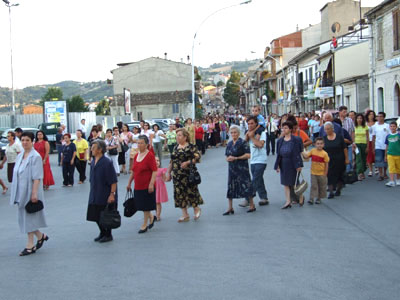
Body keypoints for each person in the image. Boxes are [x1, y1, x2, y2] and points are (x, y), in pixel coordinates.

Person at [9, 132, 49, 256]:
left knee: (28, 217)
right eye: (23, 140)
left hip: (30, 190)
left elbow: (37, 177)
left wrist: (34, 193)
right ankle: (40, 236)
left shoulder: (35, 156)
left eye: (27, 140)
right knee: (25, 217)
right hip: (20, 191)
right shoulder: (20, 155)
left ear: (32, 141)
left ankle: (30, 244)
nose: (25, 142)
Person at [166, 128, 203, 222]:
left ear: (185, 137)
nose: (177, 137)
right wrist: (168, 173)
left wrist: (187, 162)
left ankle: (196, 209)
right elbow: (172, 161)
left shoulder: (191, 147)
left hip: (188, 174)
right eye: (177, 135)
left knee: (191, 191)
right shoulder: (175, 147)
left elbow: (197, 158)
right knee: (179, 193)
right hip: (177, 175)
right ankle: (185, 214)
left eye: (179, 135)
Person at [87, 140, 118, 243]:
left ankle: (108, 234)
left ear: (100, 150)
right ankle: (102, 232)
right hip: (95, 191)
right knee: (95, 214)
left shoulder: (107, 162)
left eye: (94, 148)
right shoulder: (93, 160)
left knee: (106, 214)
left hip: (105, 192)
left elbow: (113, 180)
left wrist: (112, 194)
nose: (91, 149)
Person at [127, 135, 157, 234]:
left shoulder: (150, 156)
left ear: (146, 144)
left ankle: (144, 224)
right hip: (138, 185)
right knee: (140, 204)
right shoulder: (136, 156)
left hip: (147, 184)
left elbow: (154, 170)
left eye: (141, 143)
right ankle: (151, 217)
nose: (139, 145)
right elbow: (133, 171)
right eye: (138, 143)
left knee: (146, 206)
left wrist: (151, 184)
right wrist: (129, 183)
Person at [224, 125, 255, 215]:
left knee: (246, 184)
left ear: (239, 133)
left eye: (235, 132)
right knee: (231, 186)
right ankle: (230, 207)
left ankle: (252, 205)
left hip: (242, 167)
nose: (233, 134)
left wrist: (236, 158)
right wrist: (228, 158)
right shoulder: (229, 144)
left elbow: (248, 155)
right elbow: (226, 155)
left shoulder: (243, 142)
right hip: (232, 168)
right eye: (232, 132)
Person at [274, 121, 304, 209]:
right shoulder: (280, 141)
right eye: (283, 128)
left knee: (295, 182)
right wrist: (277, 165)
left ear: (290, 129)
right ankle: (288, 201)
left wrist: (299, 164)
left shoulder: (297, 139)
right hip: (284, 162)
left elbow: (299, 152)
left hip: (294, 162)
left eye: (286, 128)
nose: (284, 129)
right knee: (285, 183)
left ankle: (300, 196)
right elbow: (278, 154)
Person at [245, 116, 269, 207]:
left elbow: (260, 145)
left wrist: (252, 137)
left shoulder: (262, 133)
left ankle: (248, 198)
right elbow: (244, 144)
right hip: (253, 160)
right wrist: (248, 136)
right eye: (248, 124)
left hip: (261, 160)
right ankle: (264, 197)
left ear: (256, 124)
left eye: (252, 123)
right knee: (259, 179)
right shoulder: (249, 133)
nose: (250, 125)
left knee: (255, 180)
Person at [323, 122, 349, 199]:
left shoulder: (339, 137)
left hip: (339, 159)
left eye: (328, 129)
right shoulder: (324, 138)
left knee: (340, 176)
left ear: (332, 129)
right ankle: (331, 192)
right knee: (329, 176)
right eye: (325, 129)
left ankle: (338, 189)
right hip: (329, 161)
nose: (327, 130)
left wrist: (347, 158)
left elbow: (344, 148)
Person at [303, 137, 329, 205]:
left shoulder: (324, 154)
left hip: (321, 173)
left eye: (321, 144)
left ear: (323, 145)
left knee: (321, 186)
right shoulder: (313, 151)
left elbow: (326, 164)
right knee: (314, 185)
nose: (319, 145)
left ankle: (319, 198)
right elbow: (306, 156)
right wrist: (302, 151)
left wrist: (325, 173)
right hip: (313, 172)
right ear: (315, 144)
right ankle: (311, 198)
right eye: (317, 144)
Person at [372, 112, 390, 181]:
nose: (379, 118)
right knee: (379, 160)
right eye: (378, 116)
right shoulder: (375, 126)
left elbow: (389, 136)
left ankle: (385, 173)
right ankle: (381, 174)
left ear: (383, 117)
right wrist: (373, 147)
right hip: (378, 145)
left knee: (385, 160)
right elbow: (373, 137)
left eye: (381, 116)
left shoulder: (387, 126)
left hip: (385, 145)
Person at [384, 121, 400, 187]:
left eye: (394, 126)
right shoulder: (388, 136)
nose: (392, 127)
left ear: (396, 127)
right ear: (389, 127)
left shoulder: (398, 135)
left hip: (398, 154)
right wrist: (385, 155)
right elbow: (387, 146)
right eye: (391, 126)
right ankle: (392, 181)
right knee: (391, 168)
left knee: (398, 168)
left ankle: (398, 179)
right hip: (390, 154)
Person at [354, 113, 369, 181]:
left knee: (363, 158)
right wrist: (353, 144)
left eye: (360, 118)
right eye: (358, 118)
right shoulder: (354, 126)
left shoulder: (365, 127)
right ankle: (359, 173)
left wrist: (368, 146)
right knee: (358, 158)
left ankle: (363, 171)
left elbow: (368, 137)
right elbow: (353, 136)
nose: (359, 119)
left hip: (364, 143)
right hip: (357, 144)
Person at [155, 156, 169, 221]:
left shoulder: (161, 170)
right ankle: (155, 214)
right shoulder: (151, 171)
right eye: (155, 161)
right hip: (153, 187)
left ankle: (158, 215)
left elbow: (165, 179)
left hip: (159, 188)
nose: (157, 162)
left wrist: (167, 178)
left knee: (158, 202)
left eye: (158, 161)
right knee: (154, 202)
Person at [366, 110, 377, 177]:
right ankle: (370, 170)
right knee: (369, 155)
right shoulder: (365, 123)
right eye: (370, 114)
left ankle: (376, 168)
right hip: (368, 140)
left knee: (375, 154)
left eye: (372, 114)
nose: (371, 116)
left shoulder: (376, 123)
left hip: (375, 140)